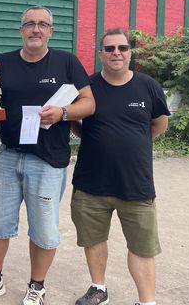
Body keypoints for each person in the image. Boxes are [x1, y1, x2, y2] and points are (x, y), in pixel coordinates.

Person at [0, 5, 95, 305]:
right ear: (21, 30)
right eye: (30, 24)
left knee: (44, 229)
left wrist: (63, 112)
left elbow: (89, 103)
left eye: (42, 24)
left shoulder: (67, 62)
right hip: (9, 155)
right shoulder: (3, 63)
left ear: (50, 31)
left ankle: (37, 285)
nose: (36, 29)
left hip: (48, 160)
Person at [70, 28, 170, 305]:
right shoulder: (87, 88)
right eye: (110, 48)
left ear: (130, 53)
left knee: (142, 247)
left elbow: (160, 122)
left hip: (135, 183)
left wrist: (135, 141)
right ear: (100, 53)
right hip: (92, 182)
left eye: (122, 48)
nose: (116, 53)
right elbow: (75, 122)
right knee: (93, 239)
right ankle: (98, 289)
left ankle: (147, 302)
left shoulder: (148, 86)